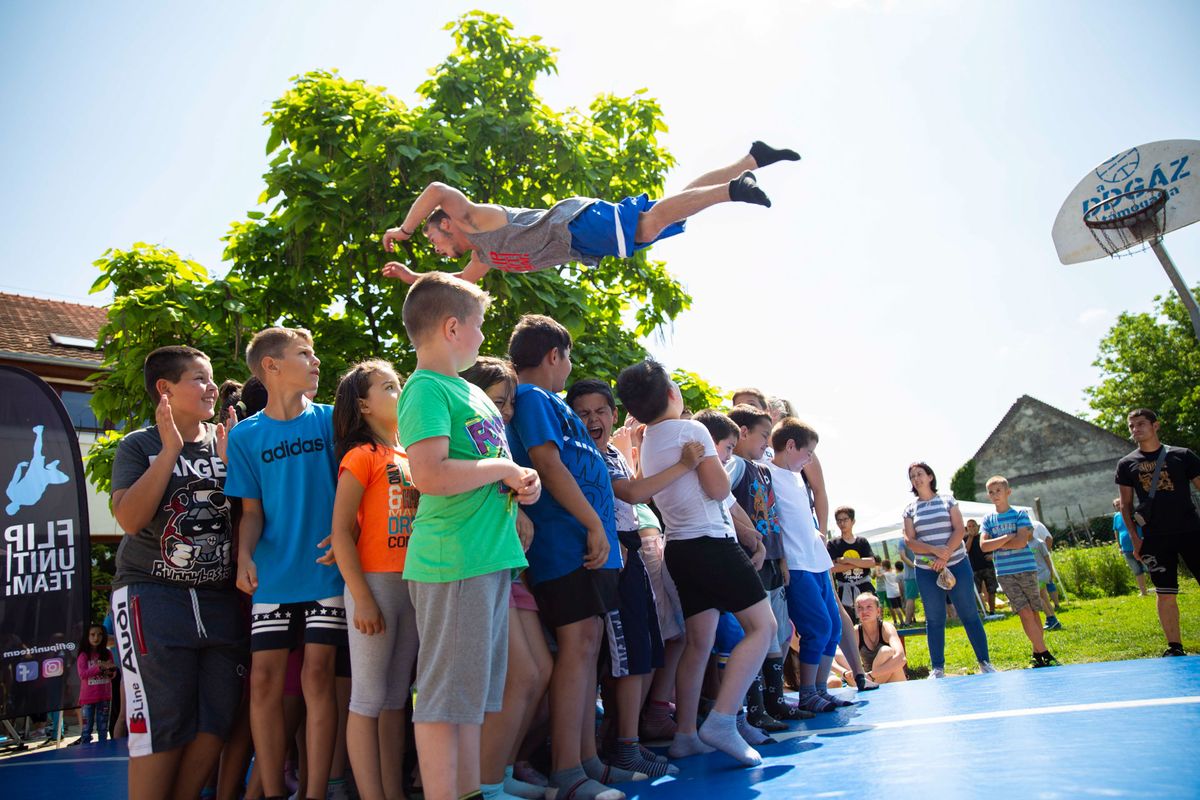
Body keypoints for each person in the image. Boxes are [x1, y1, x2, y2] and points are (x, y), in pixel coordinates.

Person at [395, 274, 540, 800]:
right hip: (453, 559)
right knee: (442, 700)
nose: (483, 337)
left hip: (486, 557)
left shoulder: (472, 391)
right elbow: (429, 475)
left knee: (472, 698)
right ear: (452, 326)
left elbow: (482, 467)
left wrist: (522, 480)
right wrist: (502, 465)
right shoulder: (425, 389)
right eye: (477, 325)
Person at [505, 318, 647, 798]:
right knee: (577, 647)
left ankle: (587, 760)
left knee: (588, 648)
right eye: (567, 359)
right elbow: (546, 462)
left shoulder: (549, 403)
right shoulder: (532, 398)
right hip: (564, 545)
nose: (568, 368)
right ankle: (568, 771)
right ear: (553, 356)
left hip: (591, 550)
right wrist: (591, 524)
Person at [616, 360, 777, 768]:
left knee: (698, 643)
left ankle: (685, 733)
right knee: (764, 627)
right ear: (673, 394)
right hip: (710, 543)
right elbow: (718, 487)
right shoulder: (693, 431)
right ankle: (723, 719)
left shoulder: (649, 438)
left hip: (681, 551)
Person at [109, 345, 247, 798]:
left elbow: (250, 520)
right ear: (165, 389)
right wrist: (169, 451)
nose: (211, 388)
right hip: (153, 596)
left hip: (218, 599)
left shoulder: (228, 441)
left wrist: (237, 470)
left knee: (217, 718)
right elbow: (129, 519)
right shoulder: (139, 445)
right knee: (161, 720)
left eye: (211, 379)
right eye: (199, 379)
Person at [380, 142, 799, 283]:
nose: (433, 247)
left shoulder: (472, 218)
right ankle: (752, 159)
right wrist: (413, 277)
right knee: (668, 212)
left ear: (446, 222)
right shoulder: (483, 258)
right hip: (581, 240)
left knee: (649, 226)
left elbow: (436, 189)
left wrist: (405, 228)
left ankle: (731, 191)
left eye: (432, 238)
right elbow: (456, 283)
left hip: (574, 224)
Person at [225, 327, 347, 800]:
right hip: (273, 576)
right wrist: (244, 557)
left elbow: (357, 487)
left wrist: (346, 535)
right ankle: (273, 792)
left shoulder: (332, 420)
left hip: (326, 569)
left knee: (318, 677)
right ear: (271, 366)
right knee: (263, 684)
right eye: (304, 354)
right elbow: (251, 513)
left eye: (315, 353)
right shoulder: (245, 436)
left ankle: (315, 792)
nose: (315, 362)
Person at [568, 378, 706, 779]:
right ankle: (619, 745)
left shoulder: (613, 451)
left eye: (600, 411)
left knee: (646, 650)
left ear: (613, 415)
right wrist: (683, 465)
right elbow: (631, 493)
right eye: (583, 413)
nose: (593, 419)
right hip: (612, 553)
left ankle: (629, 742)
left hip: (631, 554)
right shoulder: (584, 454)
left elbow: (634, 484)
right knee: (625, 656)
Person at [462, 356, 556, 800]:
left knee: (539, 670)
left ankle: (498, 771)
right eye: (499, 401)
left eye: (510, 403)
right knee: (519, 674)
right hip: (481, 564)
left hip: (511, 566)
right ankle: (484, 782)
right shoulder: (463, 437)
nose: (507, 412)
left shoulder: (501, 444)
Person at [328, 361, 420, 800]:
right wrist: (362, 597)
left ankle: (393, 792)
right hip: (375, 587)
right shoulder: (360, 456)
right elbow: (342, 530)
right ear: (363, 404)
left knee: (395, 699)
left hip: (414, 587)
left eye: (398, 385)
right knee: (366, 701)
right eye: (388, 387)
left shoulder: (413, 455)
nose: (399, 392)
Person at [764, 417, 855, 712]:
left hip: (815, 560)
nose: (809, 459)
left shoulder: (796, 475)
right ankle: (808, 692)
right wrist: (782, 560)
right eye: (807, 452)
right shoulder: (767, 473)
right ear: (790, 445)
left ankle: (817, 690)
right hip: (796, 564)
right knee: (818, 626)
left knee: (832, 627)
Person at [725, 405, 808, 724]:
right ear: (742, 433)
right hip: (752, 560)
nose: (767, 442)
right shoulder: (736, 464)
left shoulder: (762, 468)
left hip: (773, 561)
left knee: (777, 633)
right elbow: (720, 495)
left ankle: (775, 701)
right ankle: (756, 707)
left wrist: (783, 558)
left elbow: (775, 519)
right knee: (760, 632)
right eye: (763, 435)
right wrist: (746, 538)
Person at [1117, 408, 1200, 657]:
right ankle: (1174, 646)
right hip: (1154, 537)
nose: (1135, 429)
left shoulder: (1182, 456)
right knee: (1165, 592)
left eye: (1141, 424)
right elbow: (1125, 505)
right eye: (1132, 426)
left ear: (1156, 426)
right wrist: (1134, 538)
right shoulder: (1126, 464)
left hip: (1191, 531)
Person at [901, 462, 994, 678]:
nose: (917, 478)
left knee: (969, 613)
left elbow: (959, 529)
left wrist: (945, 555)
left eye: (920, 474)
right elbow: (910, 540)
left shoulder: (948, 500)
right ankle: (938, 669)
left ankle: (985, 663)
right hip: (926, 569)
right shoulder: (910, 509)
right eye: (912, 476)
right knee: (934, 618)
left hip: (957, 563)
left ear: (930, 476)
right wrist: (934, 551)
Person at [979, 476, 1060, 669]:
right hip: (1005, 573)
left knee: (1034, 612)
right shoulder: (988, 519)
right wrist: (1008, 536)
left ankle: (1037, 654)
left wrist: (998, 543)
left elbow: (1021, 542)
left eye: (998, 490)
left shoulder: (1020, 514)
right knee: (1024, 612)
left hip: (1026, 569)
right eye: (991, 492)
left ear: (1008, 492)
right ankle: (1046, 653)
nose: (995, 495)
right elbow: (983, 545)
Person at [834, 593, 907, 684]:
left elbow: (901, 658)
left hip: (892, 679)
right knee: (839, 654)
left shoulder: (886, 628)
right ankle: (866, 683)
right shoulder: (856, 631)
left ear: (878, 611)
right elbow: (834, 656)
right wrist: (844, 672)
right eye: (860, 608)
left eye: (869, 607)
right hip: (869, 678)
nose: (864, 611)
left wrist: (872, 675)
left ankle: (867, 684)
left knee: (886, 651)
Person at [828, 506, 877, 621]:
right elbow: (832, 568)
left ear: (852, 521)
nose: (842, 523)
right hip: (844, 588)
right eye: (839, 520)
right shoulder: (833, 543)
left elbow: (871, 562)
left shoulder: (862, 542)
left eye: (845, 519)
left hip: (865, 586)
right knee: (848, 621)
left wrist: (846, 560)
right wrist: (859, 563)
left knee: (870, 619)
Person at [72, 623, 116, 746]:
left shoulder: (108, 654)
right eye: (92, 634)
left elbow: (112, 674)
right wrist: (99, 666)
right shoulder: (83, 655)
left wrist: (111, 671)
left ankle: (104, 752)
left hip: (104, 696)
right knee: (86, 730)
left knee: (103, 729)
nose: (96, 637)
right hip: (88, 698)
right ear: (87, 636)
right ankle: (86, 754)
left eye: (100, 634)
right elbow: (83, 674)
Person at [1113, 497, 1149, 596]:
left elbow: (1143, 526)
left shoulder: (1134, 513)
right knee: (1137, 571)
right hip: (1126, 549)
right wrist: (1119, 547)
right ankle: (1143, 592)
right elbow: (1116, 531)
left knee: (1150, 567)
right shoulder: (1116, 517)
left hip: (1139, 545)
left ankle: (1162, 588)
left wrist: (1143, 539)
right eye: (1116, 505)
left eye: (1119, 504)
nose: (1118, 506)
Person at [964, 519, 997, 615]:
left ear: (978, 526)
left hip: (988, 567)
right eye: (969, 526)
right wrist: (970, 537)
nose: (972, 528)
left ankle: (992, 611)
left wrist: (992, 556)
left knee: (991, 589)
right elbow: (966, 550)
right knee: (975, 592)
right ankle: (980, 611)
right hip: (973, 569)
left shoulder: (984, 536)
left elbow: (995, 547)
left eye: (973, 526)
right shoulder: (965, 538)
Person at [881, 561, 903, 625]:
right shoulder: (894, 571)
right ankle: (909, 619)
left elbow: (878, 575)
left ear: (884, 567)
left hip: (891, 593)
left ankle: (902, 622)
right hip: (897, 590)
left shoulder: (885, 574)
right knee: (901, 607)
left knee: (896, 608)